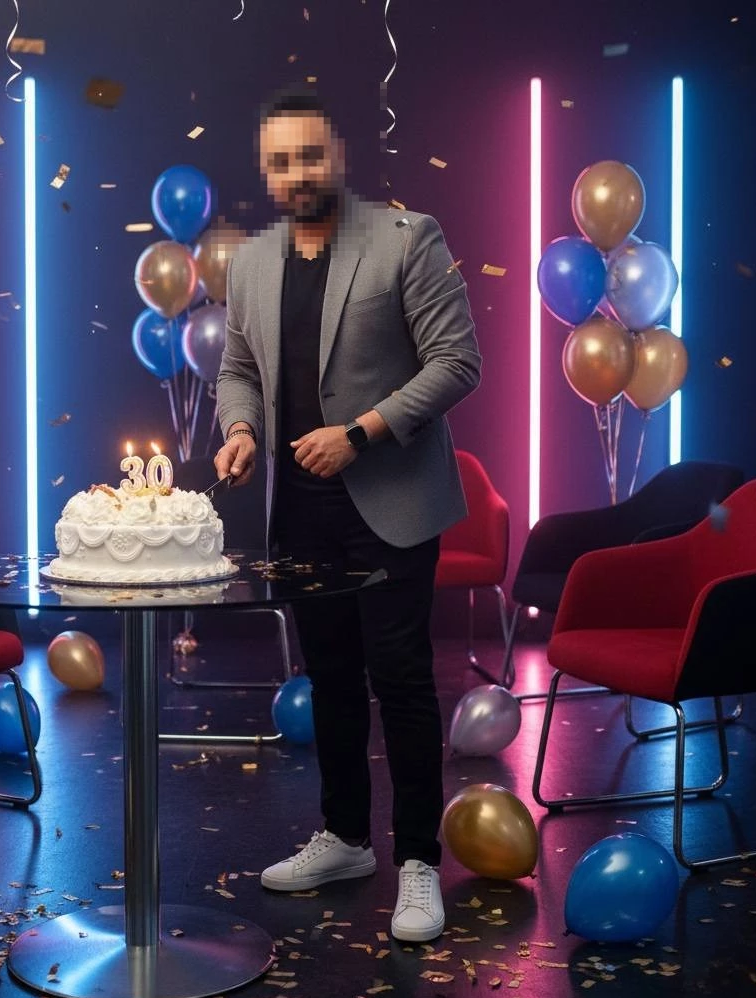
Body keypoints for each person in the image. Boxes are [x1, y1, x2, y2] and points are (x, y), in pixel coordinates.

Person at [214, 85, 482, 943]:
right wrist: (242, 427)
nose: (300, 172)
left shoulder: (410, 238)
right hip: (298, 512)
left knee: (399, 679)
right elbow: (237, 370)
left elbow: (457, 363)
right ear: (267, 172)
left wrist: (361, 434)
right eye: (283, 161)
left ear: (339, 157)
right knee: (329, 678)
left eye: (312, 156)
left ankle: (416, 865)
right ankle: (345, 839)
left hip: (391, 502)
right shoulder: (250, 262)